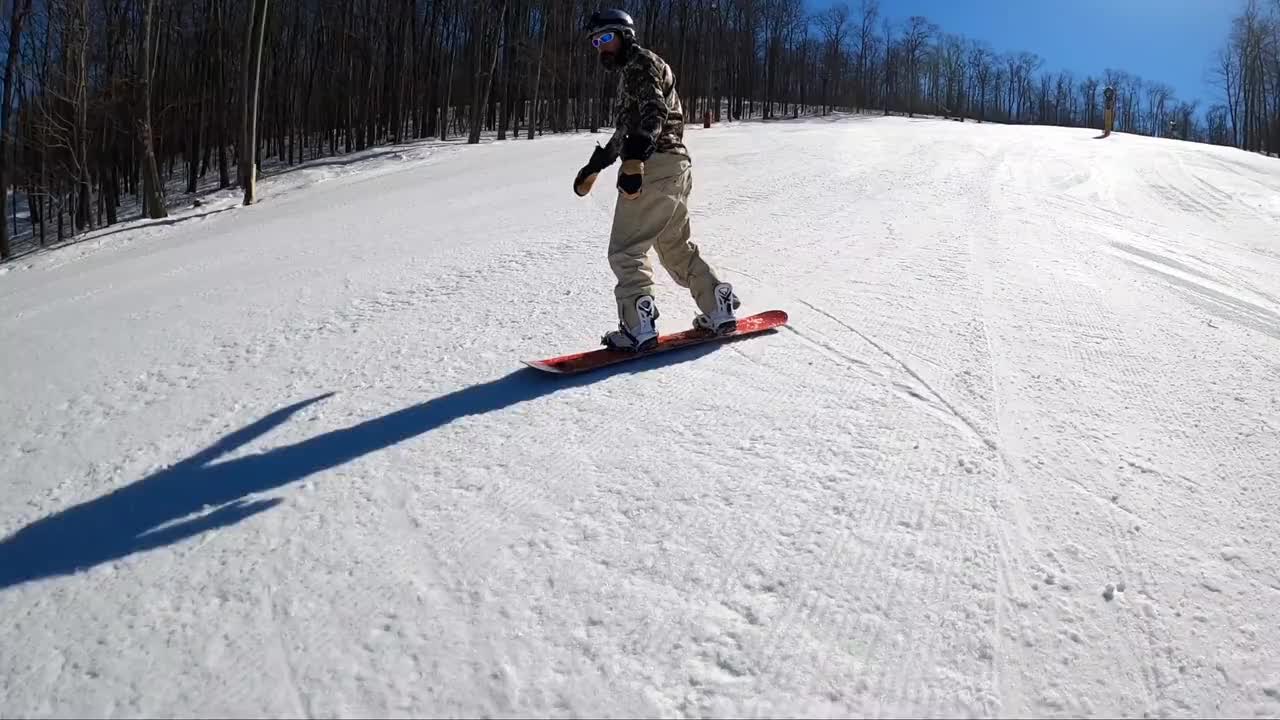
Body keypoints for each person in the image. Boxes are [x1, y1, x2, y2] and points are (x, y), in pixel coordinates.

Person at [573, 8, 740, 352]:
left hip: (653, 165)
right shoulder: (633, 72)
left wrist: (634, 160)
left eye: (605, 38)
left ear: (624, 35)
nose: (601, 47)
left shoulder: (640, 63)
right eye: (595, 42)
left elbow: (654, 111)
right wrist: (596, 164)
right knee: (676, 249)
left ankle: (638, 326)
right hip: (675, 167)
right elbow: (626, 130)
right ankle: (717, 304)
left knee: (625, 250)